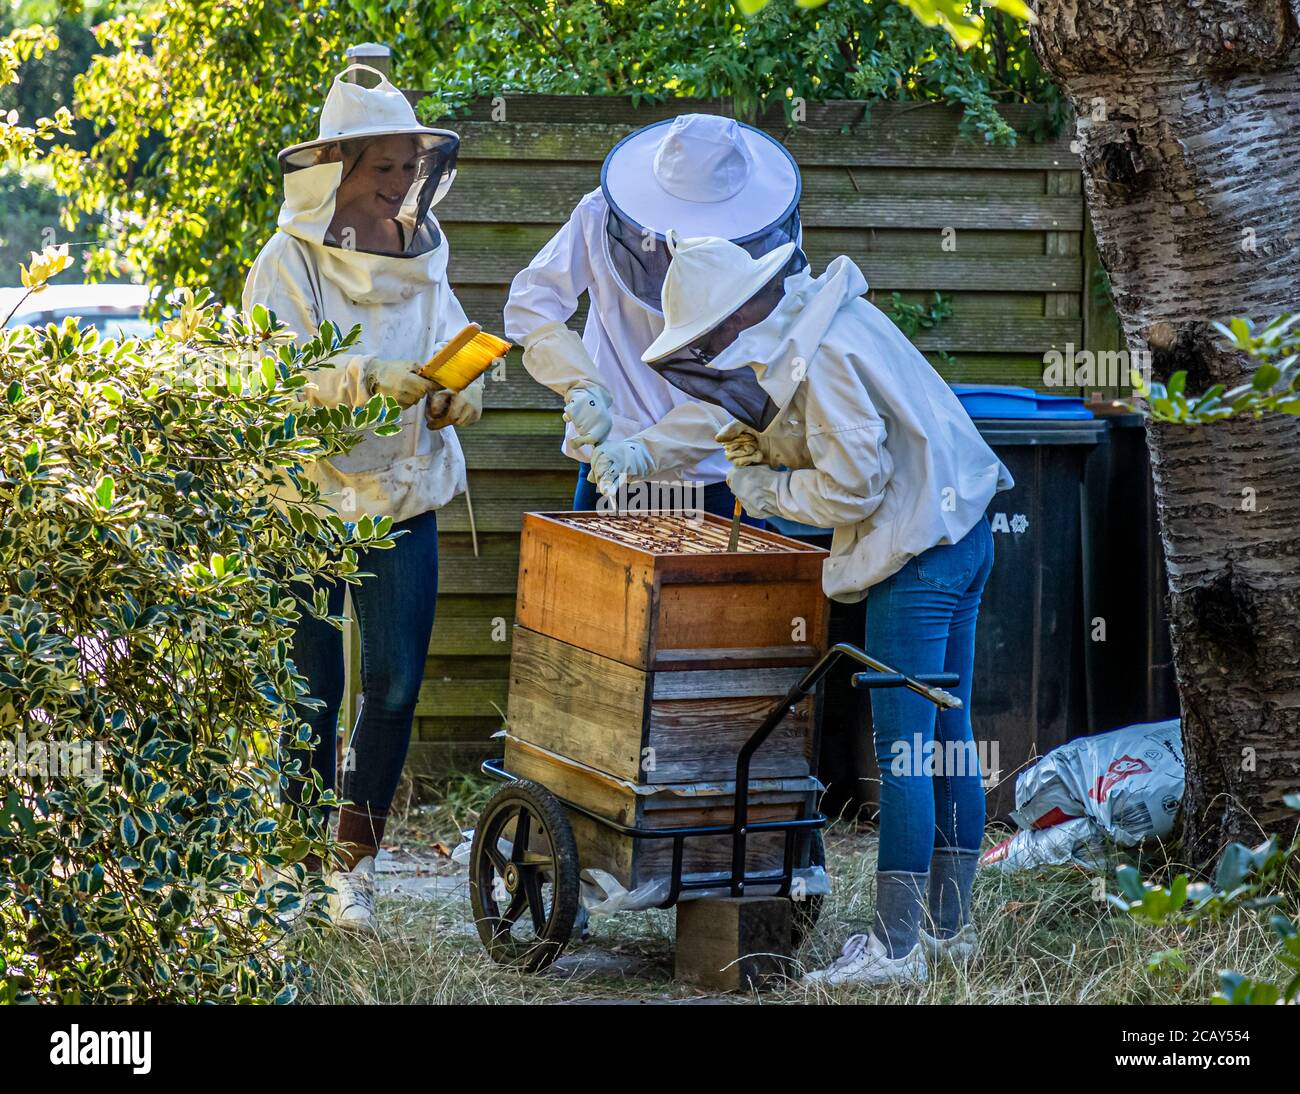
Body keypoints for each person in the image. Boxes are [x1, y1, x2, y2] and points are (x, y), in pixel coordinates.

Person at [642, 233, 1013, 986]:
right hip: (962, 539)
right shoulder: (833, 320)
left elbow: (853, 488)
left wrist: (767, 493)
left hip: (916, 560)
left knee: (906, 748)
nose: (713, 348)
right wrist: (768, 454)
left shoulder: (827, 351)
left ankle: (896, 949)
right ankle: (947, 931)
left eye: (711, 329)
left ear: (740, 306)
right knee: (947, 735)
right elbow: (836, 441)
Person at [243, 64, 484, 929]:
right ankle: (296, 870)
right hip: (304, 507)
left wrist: (464, 388)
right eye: (382, 168)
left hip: (404, 496)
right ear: (336, 168)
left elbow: (450, 333)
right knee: (308, 691)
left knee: (393, 685)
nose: (398, 185)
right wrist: (366, 376)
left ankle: (356, 866)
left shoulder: (425, 251)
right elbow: (277, 372)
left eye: (405, 169)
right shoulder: (285, 261)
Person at [503, 113, 804, 513]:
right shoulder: (599, 214)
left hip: (718, 474)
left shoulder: (771, 238)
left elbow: (766, 371)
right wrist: (579, 383)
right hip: (608, 463)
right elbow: (533, 298)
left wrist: (650, 449)